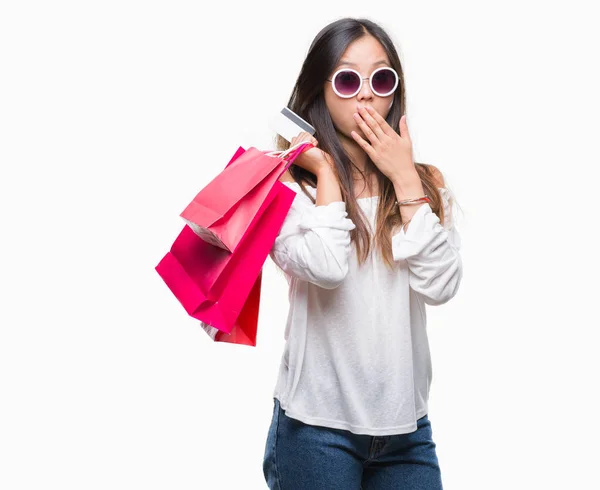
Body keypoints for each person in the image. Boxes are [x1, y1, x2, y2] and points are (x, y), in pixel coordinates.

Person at [262, 17, 463, 490]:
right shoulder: (289, 191)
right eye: (349, 80)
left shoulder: (425, 184)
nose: (367, 95)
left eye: (381, 79)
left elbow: (443, 285)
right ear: (320, 91)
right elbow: (328, 268)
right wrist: (327, 175)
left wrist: (406, 180)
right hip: (315, 431)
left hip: (407, 434)